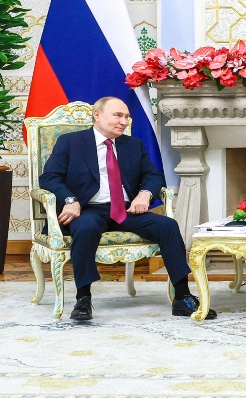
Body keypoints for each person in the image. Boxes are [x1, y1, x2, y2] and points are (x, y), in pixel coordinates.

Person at [39, 96, 216, 321]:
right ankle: (83, 299)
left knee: (168, 225)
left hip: (125, 210)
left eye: (126, 117)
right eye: (118, 115)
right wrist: (70, 199)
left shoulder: (133, 145)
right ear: (97, 115)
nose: (124, 121)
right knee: (85, 229)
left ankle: (182, 297)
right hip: (87, 209)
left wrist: (145, 194)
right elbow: (49, 177)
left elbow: (153, 176)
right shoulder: (71, 142)